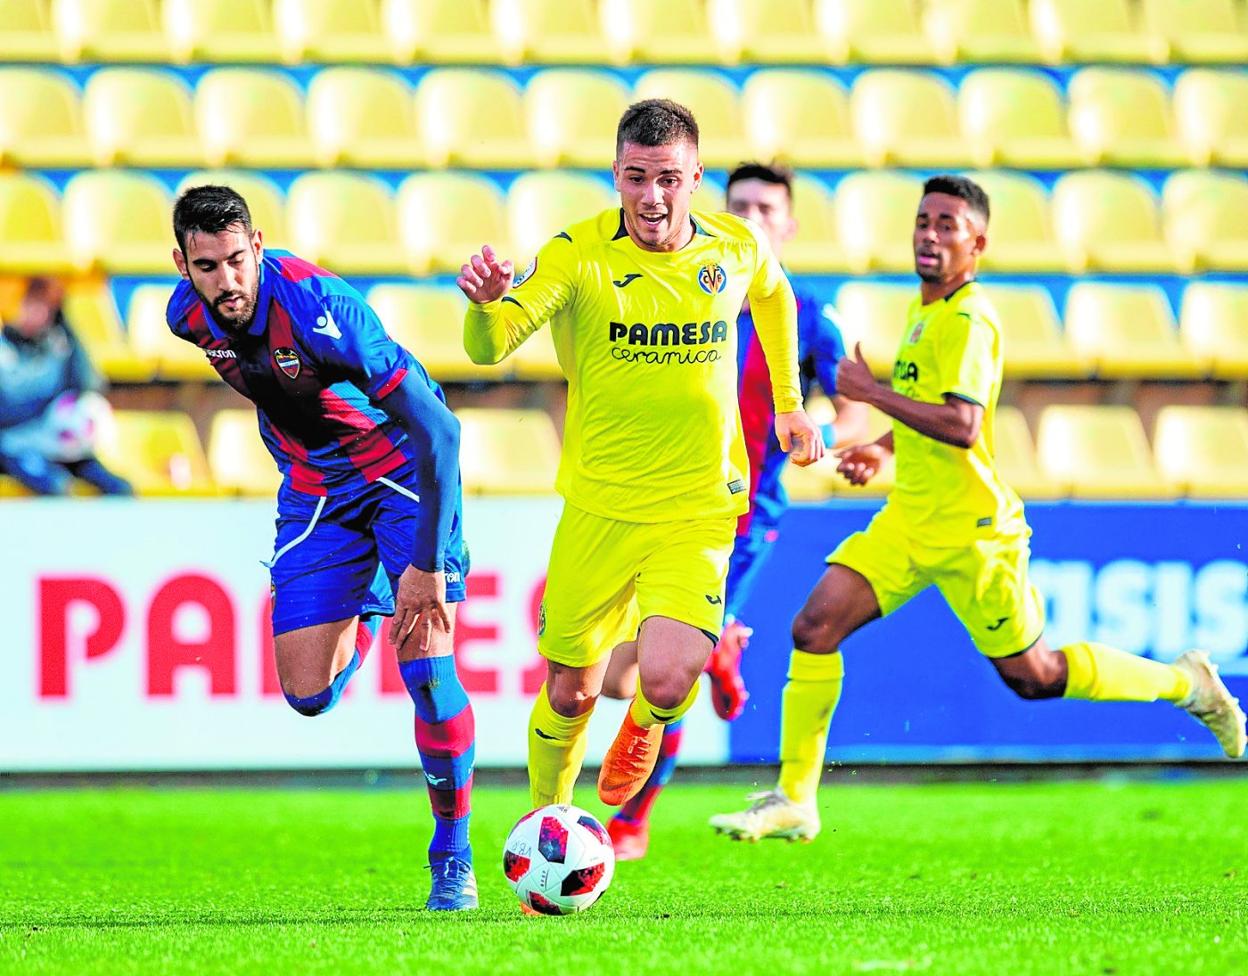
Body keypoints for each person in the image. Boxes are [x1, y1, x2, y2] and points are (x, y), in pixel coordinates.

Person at [711, 174, 1247, 842]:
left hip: (974, 533)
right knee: (814, 627)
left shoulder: (969, 319)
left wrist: (872, 395)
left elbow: (964, 424)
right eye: (923, 222)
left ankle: (1185, 684)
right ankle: (795, 798)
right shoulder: (924, 312)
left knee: (1036, 676)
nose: (930, 236)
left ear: (978, 243)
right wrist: (883, 448)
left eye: (947, 226)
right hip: (910, 519)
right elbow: (928, 415)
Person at [457, 100, 824, 824]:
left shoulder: (736, 247)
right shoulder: (577, 254)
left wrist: (789, 403)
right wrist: (485, 306)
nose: (651, 198)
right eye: (635, 178)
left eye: (667, 179)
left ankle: (649, 728)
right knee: (571, 691)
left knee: (663, 679)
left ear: (695, 178)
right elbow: (488, 347)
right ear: (616, 175)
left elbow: (776, 297)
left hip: (698, 508)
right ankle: (546, 823)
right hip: (600, 506)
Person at [166, 186, 479, 910]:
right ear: (182, 264)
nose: (227, 281)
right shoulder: (186, 319)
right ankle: (371, 595)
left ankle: (452, 857)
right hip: (317, 491)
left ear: (259, 245)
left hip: (401, 470)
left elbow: (440, 431)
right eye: (208, 266)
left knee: (427, 670)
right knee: (308, 696)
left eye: (239, 260)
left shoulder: (318, 308)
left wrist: (427, 567)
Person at [599, 162, 871, 860]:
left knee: (667, 673)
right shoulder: (686, 289)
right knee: (614, 677)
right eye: (739, 205)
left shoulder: (807, 313)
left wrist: (818, 435)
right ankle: (720, 650)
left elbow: (854, 410)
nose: (750, 218)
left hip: (740, 517)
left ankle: (631, 820)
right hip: (656, 500)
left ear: (788, 225)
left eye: (764, 208)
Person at [0, 276, 132, 496]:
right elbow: (8, 406)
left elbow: (90, 382)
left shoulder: (59, 347)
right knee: (57, 487)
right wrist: (44, 407)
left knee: (119, 489)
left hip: (57, 443)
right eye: (31, 305)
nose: (34, 313)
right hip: (15, 443)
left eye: (44, 309)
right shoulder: (5, 348)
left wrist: (68, 330)